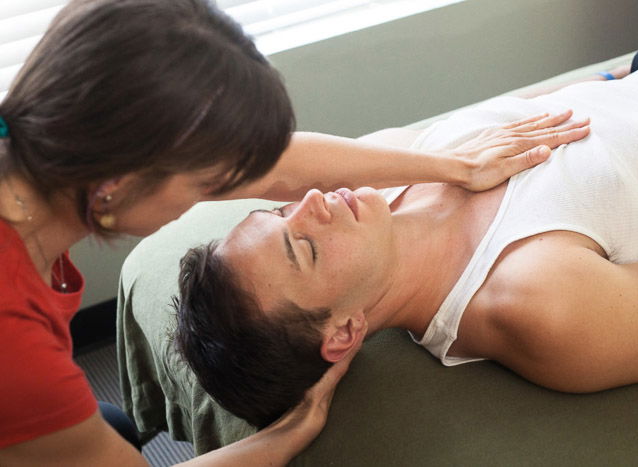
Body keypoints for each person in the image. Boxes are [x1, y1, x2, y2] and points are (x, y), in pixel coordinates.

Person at [0, 0, 589, 465]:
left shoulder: (48, 140)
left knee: (116, 428)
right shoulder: (18, 352)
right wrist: (286, 437)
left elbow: (279, 166)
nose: (272, 193)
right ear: (116, 186)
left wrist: (450, 167)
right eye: (212, 182)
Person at [175, 53, 638, 430]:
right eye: (303, 248)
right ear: (344, 332)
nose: (312, 198)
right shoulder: (532, 303)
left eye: (281, 213)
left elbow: (546, 112)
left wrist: (621, 72)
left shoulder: (386, 172)